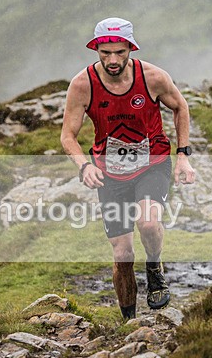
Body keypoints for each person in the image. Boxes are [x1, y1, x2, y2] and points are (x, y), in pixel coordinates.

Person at [60, 17, 196, 320]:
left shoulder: (153, 77)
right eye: (105, 53)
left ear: (130, 48)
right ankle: (128, 320)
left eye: (119, 52)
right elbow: (67, 136)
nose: (112, 60)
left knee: (148, 224)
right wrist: (83, 166)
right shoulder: (82, 85)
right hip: (109, 173)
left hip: (153, 164)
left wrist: (183, 155)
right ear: (95, 48)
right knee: (122, 254)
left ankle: (154, 265)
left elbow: (180, 107)